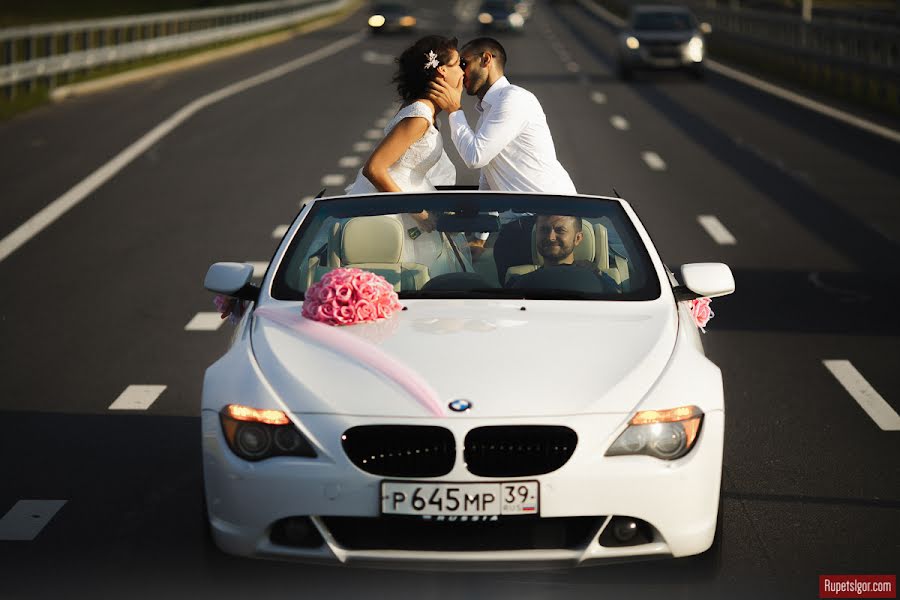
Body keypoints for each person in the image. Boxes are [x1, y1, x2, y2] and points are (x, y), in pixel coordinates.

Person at [426, 38, 577, 281]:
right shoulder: (491, 107)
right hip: (519, 225)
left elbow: (476, 157)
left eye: (464, 62)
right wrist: (480, 238)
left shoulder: (512, 99)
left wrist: (455, 111)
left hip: (550, 220)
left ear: (486, 59)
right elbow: (489, 175)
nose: (461, 71)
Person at [344, 35, 470, 276]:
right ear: (442, 71)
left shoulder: (426, 111)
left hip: (406, 199)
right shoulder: (420, 115)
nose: (464, 72)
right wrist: (418, 213)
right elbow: (375, 169)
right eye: (459, 65)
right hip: (396, 209)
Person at [508, 215, 619, 292]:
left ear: (578, 238)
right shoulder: (517, 283)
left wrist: (597, 273)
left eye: (560, 230)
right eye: (544, 230)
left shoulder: (602, 282)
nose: (551, 237)